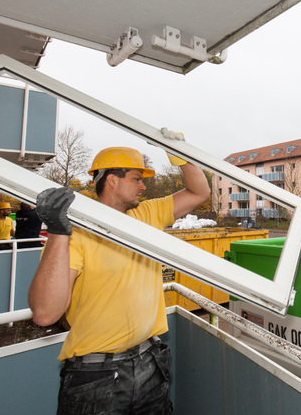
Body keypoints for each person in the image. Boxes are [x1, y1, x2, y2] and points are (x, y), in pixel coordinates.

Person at [28, 138, 209, 415]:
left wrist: (182, 156)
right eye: (137, 178)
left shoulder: (147, 214)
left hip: (151, 361)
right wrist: (57, 232)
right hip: (96, 374)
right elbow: (45, 314)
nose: (143, 186)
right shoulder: (76, 232)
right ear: (112, 180)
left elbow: (199, 192)